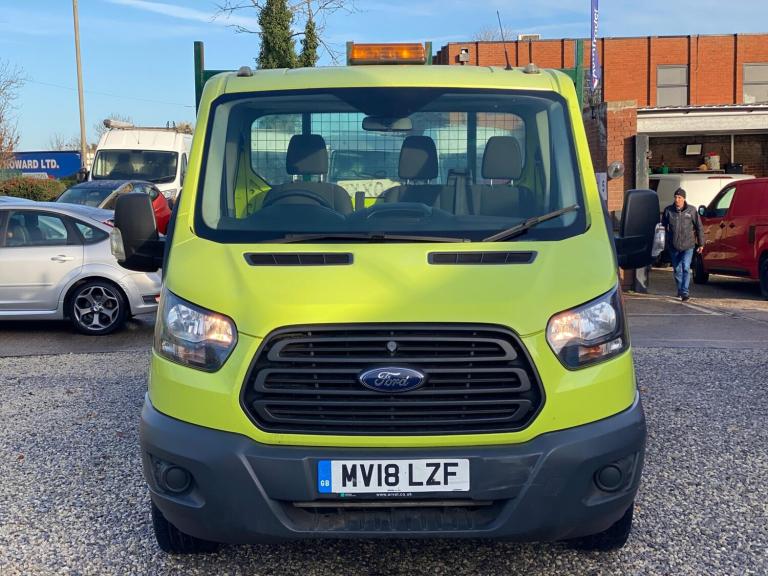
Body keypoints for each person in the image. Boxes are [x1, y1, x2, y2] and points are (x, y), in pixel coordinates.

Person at [662, 188, 704, 302]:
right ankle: (680, 289)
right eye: (675, 197)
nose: (677, 199)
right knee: (677, 269)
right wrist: (664, 242)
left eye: (679, 197)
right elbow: (662, 227)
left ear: (684, 198)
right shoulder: (668, 211)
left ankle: (685, 292)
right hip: (674, 245)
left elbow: (699, 227)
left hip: (688, 245)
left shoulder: (692, 211)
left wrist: (701, 243)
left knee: (685, 267)